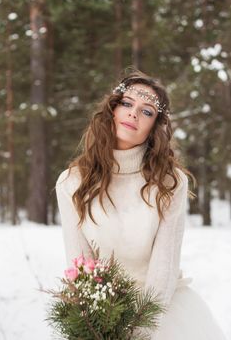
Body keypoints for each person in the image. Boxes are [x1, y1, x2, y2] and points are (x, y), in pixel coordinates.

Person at [55, 68, 227, 339]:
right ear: (112, 109)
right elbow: (81, 266)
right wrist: (95, 326)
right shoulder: (71, 182)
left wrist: (138, 330)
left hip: (160, 311)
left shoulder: (169, 183)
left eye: (146, 111)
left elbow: (164, 268)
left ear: (154, 127)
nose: (134, 113)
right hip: (102, 313)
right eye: (127, 103)